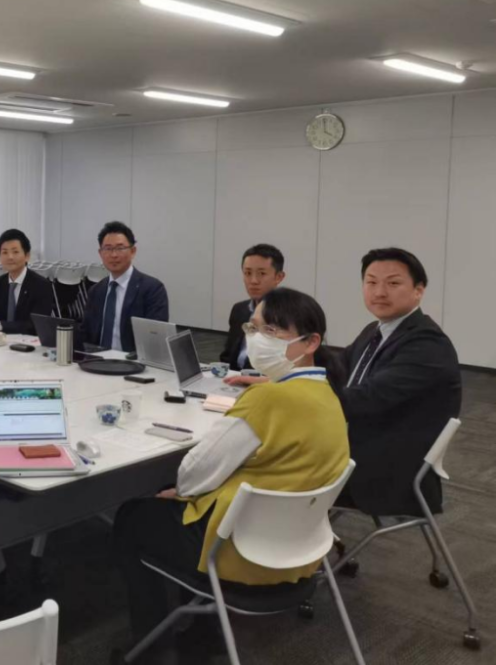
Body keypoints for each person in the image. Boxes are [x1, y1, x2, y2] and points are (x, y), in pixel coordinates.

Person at [113, 288, 348, 658]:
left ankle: (151, 651)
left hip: (241, 551)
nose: (257, 339)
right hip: (300, 549)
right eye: (253, 328)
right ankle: (203, 635)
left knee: (132, 516)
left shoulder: (268, 398)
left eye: (271, 331)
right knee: (178, 500)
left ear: (311, 342)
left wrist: (184, 492)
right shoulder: (328, 395)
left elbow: (193, 473)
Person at [337, 248, 461, 517]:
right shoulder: (376, 330)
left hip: (389, 467)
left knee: (277, 466)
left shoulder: (427, 344)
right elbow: (338, 367)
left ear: (418, 290)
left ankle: (295, 536)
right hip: (363, 442)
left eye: (393, 283)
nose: (379, 292)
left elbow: (367, 397)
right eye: (371, 282)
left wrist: (299, 396)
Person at [79, 221, 168, 353]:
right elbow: (86, 333)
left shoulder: (152, 289)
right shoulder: (96, 291)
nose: (114, 255)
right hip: (96, 359)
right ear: (100, 253)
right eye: (108, 249)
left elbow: (154, 339)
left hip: (132, 360)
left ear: (133, 251)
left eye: (120, 248)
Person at [0, 228, 53, 335]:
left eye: (15, 252)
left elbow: (35, 325)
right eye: (5, 252)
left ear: (27, 256)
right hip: (1, 340)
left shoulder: (41, 285)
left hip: (27, 341)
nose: (10, 257)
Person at [221, 244, 286, 371]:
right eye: (248, 273)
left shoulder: (290, 315)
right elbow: (227, 356)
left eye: (262, 273)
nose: (253, 281)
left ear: (279, 277)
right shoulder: (239, 309)